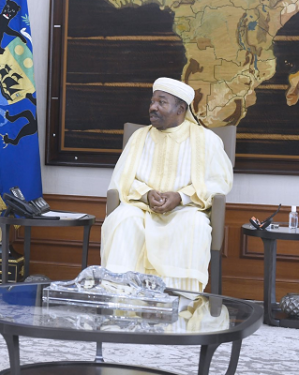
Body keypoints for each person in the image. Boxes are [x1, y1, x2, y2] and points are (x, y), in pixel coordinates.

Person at [100, 77, 233, 293]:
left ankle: (180, 301)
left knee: (195, 225)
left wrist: (181, 197)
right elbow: (122, 179)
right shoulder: (139, 138)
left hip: (185, 209)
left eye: (161, 102)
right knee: (123, 218)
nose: (153, 107)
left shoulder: (206, 140)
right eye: (152, 102)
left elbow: (219, 182)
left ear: (181, 109)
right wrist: (145, 194)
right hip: (141, 208)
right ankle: (120, 297)